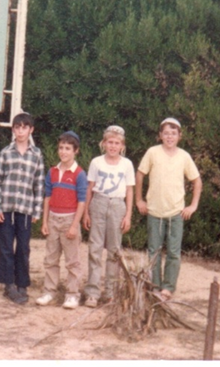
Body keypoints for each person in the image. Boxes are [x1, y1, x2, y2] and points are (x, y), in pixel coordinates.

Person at [135, 117, 202, 300]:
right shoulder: (152, 153)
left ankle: (168, 288)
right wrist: (139, 200)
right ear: (160, 135)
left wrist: (193, 205)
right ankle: (154, 286)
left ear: (179, 136)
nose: (169, 137)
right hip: (154, 212)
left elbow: (196, 180)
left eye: (173, 133)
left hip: (176, 213)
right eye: (166, 133)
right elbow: (140, 174)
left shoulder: (184, 156)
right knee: (154, 250)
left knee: (173, 252)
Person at [0, 111, 45, 305]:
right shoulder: (6, 152)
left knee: (23, 248)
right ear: (13, 129)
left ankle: (22, 283)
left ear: (30, 130)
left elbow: (39, 184)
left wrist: (37, 210)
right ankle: (8, 285)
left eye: (25, 127)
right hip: (6, 208)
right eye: (17, 127)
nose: (21, 131)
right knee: (5, 247)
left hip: (25, 210)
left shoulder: (36, 154)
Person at [82, 125, 135, 308]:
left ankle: (110, 292)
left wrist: (128, 215)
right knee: (95, 249)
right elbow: (90, 188)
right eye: (110, 142)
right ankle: (92, 293)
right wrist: (86, 212)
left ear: (122, 145)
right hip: (98, 203)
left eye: (117, 143)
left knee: (114, 250)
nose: (113, 146)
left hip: (117, 205)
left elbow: (129, 190)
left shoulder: (126, 164)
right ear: (103, 143)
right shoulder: (97, 162)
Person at [36, 131, 88, 309]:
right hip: (53, 219)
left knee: (72, 261)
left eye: (68, 148)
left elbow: (82, 201)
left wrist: (75, 225)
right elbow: (47, 198)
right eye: (61, 148)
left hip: (69, 221)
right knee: (50, 258)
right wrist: (45, 221)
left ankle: (73, 294)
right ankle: (49, 291)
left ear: (76, 151)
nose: (63, 152)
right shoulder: (52, 172)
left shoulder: (79, 174)